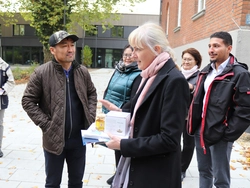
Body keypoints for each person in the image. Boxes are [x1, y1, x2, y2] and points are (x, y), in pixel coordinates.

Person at [100, 22, 189, 188]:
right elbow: (141, 111)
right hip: (141, 167)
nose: (133, 55)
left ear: (156, 49)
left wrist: (124, 145)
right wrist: (119, 112)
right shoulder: (148, 75)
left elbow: (169, 139)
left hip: (157, 174)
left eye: (137, 49)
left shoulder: (174, 81)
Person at [21, 30, 97, 188]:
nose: (70, 49)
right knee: (52, 183)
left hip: (78, 140)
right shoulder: (42, 72)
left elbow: (91, 93)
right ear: (52, 50)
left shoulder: (82, 71)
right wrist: (47, 125)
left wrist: (90, 116)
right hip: (54, 140)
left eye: (72, 45)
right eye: (64, 46)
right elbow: (27, 100)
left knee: (76, 182)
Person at [187, 31, 250, 188]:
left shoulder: (239, 74)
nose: (211, 50)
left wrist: (227, 134)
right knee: (204, 172)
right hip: (200, 129)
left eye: (216, 46)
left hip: (221, 132)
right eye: (209, 46)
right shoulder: (206, 71)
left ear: (229, 48)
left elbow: (245, 109)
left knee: (220, 179)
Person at [102, 44, 141, 185]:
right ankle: (118, 172)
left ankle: (123, 174)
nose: (127, 57)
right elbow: (109, 87)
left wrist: (120, 111)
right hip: (112, 113)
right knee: (115, 145)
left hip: (123, 115)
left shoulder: (138, 73)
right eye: (125, 55)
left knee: (123, 145)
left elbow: (134, 98)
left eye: (130, 55)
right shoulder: (119, 70)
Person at [180, 48, 201, 181]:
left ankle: (182, 168)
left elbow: (200, 93)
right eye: (184, 59)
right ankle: (173, 164)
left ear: (196, 61)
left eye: (189, 59)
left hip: (190, 116)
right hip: (175, 114)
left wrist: (192, 88)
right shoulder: (177, 72)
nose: (186, 62)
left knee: (188, 144)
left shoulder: (200, 76)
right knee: (173, 141)